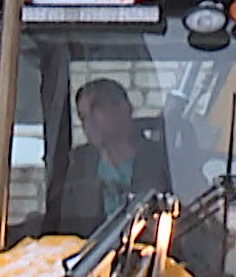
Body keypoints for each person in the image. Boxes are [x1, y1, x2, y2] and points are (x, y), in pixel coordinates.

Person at [51, 78, 171, 238]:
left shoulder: (161, 161)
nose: (89, 123)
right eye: (83, 117)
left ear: (125, 109)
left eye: (96, 109)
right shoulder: (77, 166)